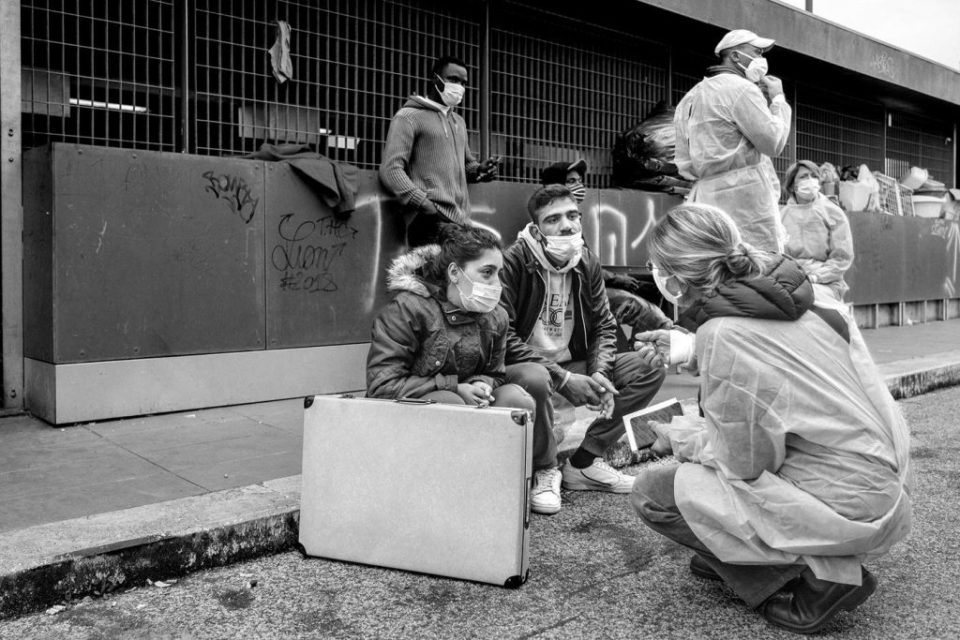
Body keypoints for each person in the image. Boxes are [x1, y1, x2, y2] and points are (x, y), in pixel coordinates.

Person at [630, 203, 911, 634]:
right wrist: (691, 349)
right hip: (880, 477)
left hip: (844, 501)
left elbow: (744, 462)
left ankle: (817, 580)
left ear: (676, 279)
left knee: (653, 492)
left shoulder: (725, 335)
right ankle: (731, 555)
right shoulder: (808, 294)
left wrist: (679, 436)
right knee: (708, 466)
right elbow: (780, 360)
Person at [499, 184, 666, 515]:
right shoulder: (512, 262)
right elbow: (503, 336)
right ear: (536, 229)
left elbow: (604, 324)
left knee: (650, 366)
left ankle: (584, 463)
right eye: (553, 219)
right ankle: (545, 470)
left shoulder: (585, 260)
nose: (567, 226)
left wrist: (600, 372)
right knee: (536, 377)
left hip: (571, 366)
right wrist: (562, 379)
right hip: (524, 371)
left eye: (573, 216)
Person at [366, 224, 534, 421]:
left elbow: (495, 374)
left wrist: (482, 383)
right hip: (400, 419)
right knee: (449, 402)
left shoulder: (497, 316)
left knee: (516, 400)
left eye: (499, 273)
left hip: (465, 403)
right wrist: (454, 388)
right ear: (454, 272)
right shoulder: (406, 309)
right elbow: (383, 385)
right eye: (487, 272)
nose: (498, 284)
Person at [674, 29, 791, 252]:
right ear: (735, 56)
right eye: (757, 52)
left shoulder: (691, 97)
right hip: (745, 199)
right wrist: (778, 99)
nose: (761, 59)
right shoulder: (742, 89)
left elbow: (683, 160)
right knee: (755, 261)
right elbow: (772, 142)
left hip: (705, 196)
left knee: (714, 260)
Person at [539, 159, 674, 343]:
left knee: (654, 290)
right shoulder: (552, 223)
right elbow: (580, 267)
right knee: (644, 312)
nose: (579, 186)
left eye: (579, 181)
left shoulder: (570, 219)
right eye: (571, 181)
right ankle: (650, 348)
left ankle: (641, 347)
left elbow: (586, 263)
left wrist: (618, 280)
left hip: (587, 287)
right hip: (574, 295)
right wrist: (618, 280)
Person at [379, 55, 501, 247]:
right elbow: (391, 169)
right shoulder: (408, 117)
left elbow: (466, 165)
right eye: (453, 79)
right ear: (435, 79)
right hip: (430, 221)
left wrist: (479, 171)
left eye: (463, 82)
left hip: (461, 223)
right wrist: (424, 204)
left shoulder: (458, 122)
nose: (459, 87)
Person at [781, 160, 854, 305]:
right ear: (792, 185)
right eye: (803, 177)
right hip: (791, 280)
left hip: (826, 282)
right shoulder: (782, 216)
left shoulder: (833, 212)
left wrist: (816, 277)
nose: (810, 180)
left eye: (813, 176)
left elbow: (841, 258)